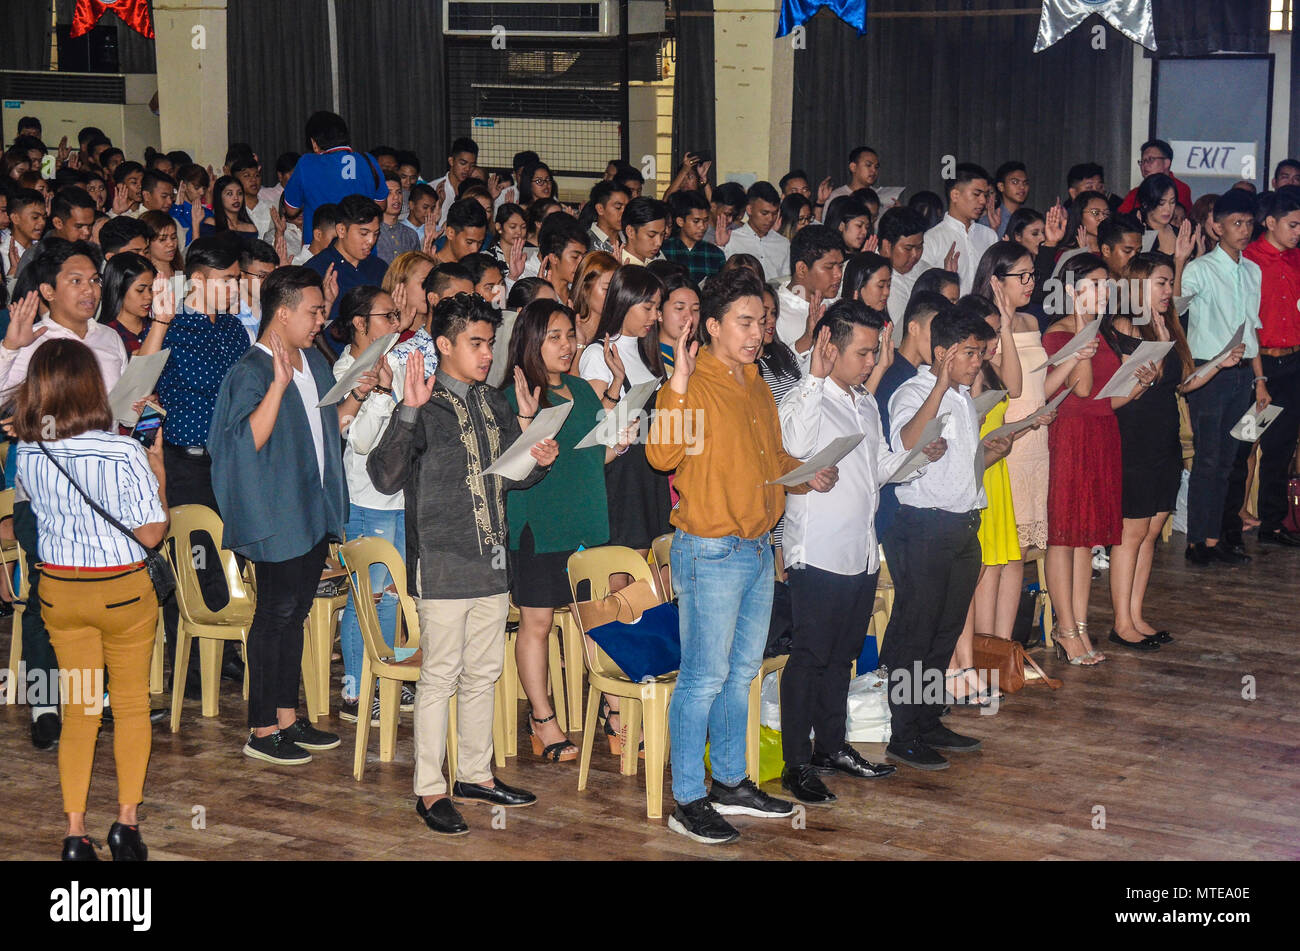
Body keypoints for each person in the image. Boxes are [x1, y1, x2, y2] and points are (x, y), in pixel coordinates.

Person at [646, 267, 838, 844]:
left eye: (762, 322)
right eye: (745, 322)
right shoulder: (691, 383)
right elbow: (662, 455)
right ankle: (687, 798)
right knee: (703, 678)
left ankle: (730, 781)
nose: (757, 333)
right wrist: (676, 382)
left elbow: (770, 457)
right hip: (710, 549)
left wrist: (802, 478)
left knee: (741, 675)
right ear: (711, 326)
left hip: (755, 549)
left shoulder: (754, 378)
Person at [369, 293, 555, 836]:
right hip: (443, 557)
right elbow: (384, 476)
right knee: (440, 676)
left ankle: (474, 773)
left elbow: (511, 477)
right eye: (475, 343)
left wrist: (538, 459)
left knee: (484, 673)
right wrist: (405, 410)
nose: (485, 353)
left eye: (490, 343)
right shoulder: (421, 406)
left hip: (491, 556)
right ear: (444, 344)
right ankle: (429, 789)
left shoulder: (493, 402)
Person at [14, 339, 169, 860]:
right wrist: (158, 464)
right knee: (127, 708)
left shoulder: (28, 452)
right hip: (122, 592)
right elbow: (152, 533)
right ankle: (126, 825)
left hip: (60, 592)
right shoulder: (124, 451)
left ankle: (74, 834)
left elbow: (35, 513)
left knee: (79, 713)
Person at [208, 266, 350, 763]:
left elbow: (325, 426)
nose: (320, 319)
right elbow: (240, 445)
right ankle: (262, 729)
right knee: (273, 617)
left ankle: (288, 717)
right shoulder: (250, 370)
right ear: (282, 312)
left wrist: (357, 394)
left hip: (312, 506)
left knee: (296, 616)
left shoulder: (314, 360)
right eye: (312, 312)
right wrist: (275, 387)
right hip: (276, 511)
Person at [777, 301, 914, 803]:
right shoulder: (803, 397)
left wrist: (913, 461)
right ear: (829, 348)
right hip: (816, 551)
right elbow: (794, 441)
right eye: (861, 352)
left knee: (842, 656)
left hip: (858, 548)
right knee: (810, 657)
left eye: (874, 352)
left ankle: (831, 746)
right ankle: (796, 763)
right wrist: (813, 378)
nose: (870, 361)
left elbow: (874, 469)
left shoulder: (863, 402)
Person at [881, 307, 1013, 770]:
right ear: (942, 354)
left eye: (981, 352)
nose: (979, 361)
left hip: (961, 526)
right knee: (917, 630)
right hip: (923, 528)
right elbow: (906, 443)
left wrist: (988, 454)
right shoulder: (915, 391)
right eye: (970, 353)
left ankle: (927, 717)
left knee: (945, 628)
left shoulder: (960, 396)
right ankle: (902, 732)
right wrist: (938, 384)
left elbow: (955, 467)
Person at [500, 299, 619, 762]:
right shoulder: (515, 397)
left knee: (600, 618)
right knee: (538, 622)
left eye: (570, 334)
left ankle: (614, 711)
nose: (567, 345)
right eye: (555, 336)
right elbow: (510, 468)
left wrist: (617, 433)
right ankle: (543, 719)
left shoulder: (583, 392)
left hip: (587, 524)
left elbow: (591, 457)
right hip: (540, 524)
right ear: (531, 341)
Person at [1043, 255, 1158, 663]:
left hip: (1102, 433)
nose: (1106, 292)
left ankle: (1081, 626)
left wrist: (1140, 385)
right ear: (1072, 291)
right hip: (1071, 437)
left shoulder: (1101, 332)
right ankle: (1065, 627)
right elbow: (1081, 387)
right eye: (1096, 285)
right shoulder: (1060, 334)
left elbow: (1108, 400)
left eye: (1107, 285)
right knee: (1064, 536)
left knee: (1086, 538)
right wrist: (1082, 327)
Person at [1106, 253, 1197, 648]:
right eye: (1161, 282)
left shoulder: (1169, 323)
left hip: (1164, 438)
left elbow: (1177, 385)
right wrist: (1140, 380)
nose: (1168, 291)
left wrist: (1215, 366)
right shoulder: (1123, 327)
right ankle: (1120, 623)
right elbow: (1113, 395)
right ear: (1138, 284)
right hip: (1134, 439)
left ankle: (1136, 614)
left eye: (1170, 283)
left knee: (1152, 531)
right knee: (1131, 532)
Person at [1177, 189, 1264, 566]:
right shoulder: (1201, 269)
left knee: (1231, 461)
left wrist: (1260, 380)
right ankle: (1198, 539)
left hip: (1244, 375)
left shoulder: (1252, 270)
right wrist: (1180, 262)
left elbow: (1252, 331)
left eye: (1248, 223)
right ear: (1216, 227)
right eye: (1235, 223)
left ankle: (1217, 537)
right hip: (1209, 373)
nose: (1243, 230)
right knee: (1209, 460)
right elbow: (1174, 306)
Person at [332, 286, 405, 722]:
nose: (395, 324)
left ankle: (390, 676)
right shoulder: (347, 368)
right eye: (387, 316)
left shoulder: (391, 363)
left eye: (398, 315)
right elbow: (358, 441)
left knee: (394, 596)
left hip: (399, 497)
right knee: (368, 597)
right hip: (366, 499)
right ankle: (356, 689)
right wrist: (379, 394)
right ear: (360, 323)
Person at [1243, 187, 1300, 547]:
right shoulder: (1249, 260)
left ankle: (1273, 523)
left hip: (1293, 364)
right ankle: (1230, 522)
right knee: (1246, 444)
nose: (1298, 232)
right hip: (1259, 366)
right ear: (1270, 223)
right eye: (1293, 225)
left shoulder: (1297, 259)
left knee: (1281, 446)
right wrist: (1259, 376)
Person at [283, 111, 387, 236]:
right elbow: (381, 205)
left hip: (321, 248)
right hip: (361, 248)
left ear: (314, 143)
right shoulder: (368, 159)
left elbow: (291, 209)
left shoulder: (307, 163)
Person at [305, 193, 386, 330]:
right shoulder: (315, 270)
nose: (371, 241)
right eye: (364, 233)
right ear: (341, 230)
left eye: (376, 234)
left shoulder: (379, 267)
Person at [917, 163, 999, 295]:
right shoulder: (931, 239)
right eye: (977, 194)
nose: (983, 201)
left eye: (985, 195)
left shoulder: (990, 236)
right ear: (955, 195)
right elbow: (924, 292)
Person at [776, 223, 844, 352]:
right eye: (829, 267)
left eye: (840, 266)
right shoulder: (777, 313)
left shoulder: (837, 303)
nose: (839, 274)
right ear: (802, 269)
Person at [99, 251, 163, 355]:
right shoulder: (106, 335)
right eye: (140, 290)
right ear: (119, 289)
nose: (149, 296)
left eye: (151, 289)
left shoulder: (154, 326)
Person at [724, 181, 790, 281]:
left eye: (775, 213)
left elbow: (786, 280)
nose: (770, 219)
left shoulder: (783, 243)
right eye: (765, 213)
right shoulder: (731, 240)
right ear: (749, 209)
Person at [878, 206, 928, 327]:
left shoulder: (925, 271)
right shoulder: (869, 273)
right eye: (908, 248)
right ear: (887, 246)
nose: (915, 255)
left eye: (919, 247)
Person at [1118, 139, 1194, 217]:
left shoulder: (1180, 189)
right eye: (1142, 161)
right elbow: (1120, 218)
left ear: (1166, 163)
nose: (1145, 165)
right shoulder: (1135, 193)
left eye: (1150, 160)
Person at [569, 250, 619, 351]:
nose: (613, 295)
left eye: (616, 289)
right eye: (607, 289)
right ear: (585, 288)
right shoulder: (568, 329)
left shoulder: (618, 331)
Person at [430, 137, 479, 230]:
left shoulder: (474, 191)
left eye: (472, 165)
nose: (467, 169)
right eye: (463, 163)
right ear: (451, 161)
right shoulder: (433, 188)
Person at [376, 171, 420, 264]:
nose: (396, 197)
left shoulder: (411, 235)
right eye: (389, 193)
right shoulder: (372, 233)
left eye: (399, 192)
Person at [432, 198, 489, 265]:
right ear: (450, 233)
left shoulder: (478, 268)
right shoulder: (430, 269)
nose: (475, 249)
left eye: (480, 242)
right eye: (469, 242)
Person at [981, 161, 1029, 238]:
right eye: (1015, 182)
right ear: (1001, 186)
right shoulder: (989, 220)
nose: (1022, 187)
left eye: (1025, 183)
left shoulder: (1030, 219)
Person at [1135, 174, 1179, 255]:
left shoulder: (1179, 233)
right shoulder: (1138, 234)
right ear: (1145, 204)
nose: (1168, 208)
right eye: (1161, 203)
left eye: (1172, 202)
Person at [619, 197, 669, 266]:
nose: (659, 243)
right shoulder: (617, 267)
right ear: (630, 232)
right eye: (651, 235)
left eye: (662, 235)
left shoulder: (657, 263)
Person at [585, 180, 630, 254]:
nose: (625, 213)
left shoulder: (630, 239)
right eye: (618, 207)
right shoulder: (586, 243)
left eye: (627, 208)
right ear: (600, 209)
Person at [140, 210, 183, 281]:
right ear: (147, 242)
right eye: (162, 239)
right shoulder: (146, 277)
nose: (171, 244)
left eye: (173, 237)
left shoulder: (178, 268)